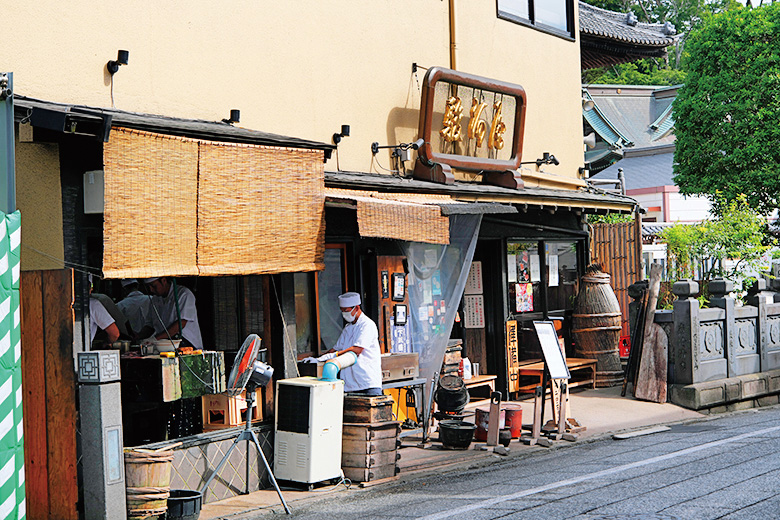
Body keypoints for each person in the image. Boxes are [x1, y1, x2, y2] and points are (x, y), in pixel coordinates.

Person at [326, 292, 383, 395]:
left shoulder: (367, 325)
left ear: (356, 308)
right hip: (350, 384)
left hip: (367, 382)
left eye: (346, 311)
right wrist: (321, 358)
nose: (344, 314)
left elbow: (357, 349)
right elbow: (336, 348)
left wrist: (336, 355)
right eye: (342, 311)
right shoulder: (348, 328)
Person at [143, 277, 203, 350]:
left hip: (186, 343)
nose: (151, 290)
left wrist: (155, 339)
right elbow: (150, 325)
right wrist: (139, 338)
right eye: (148, 287)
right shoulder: (155, 300)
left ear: (164, 281)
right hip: (165, 344)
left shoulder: (184, 294)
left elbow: (180, 324)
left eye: (153, 286)